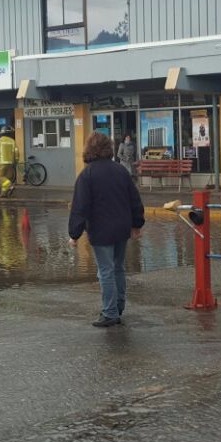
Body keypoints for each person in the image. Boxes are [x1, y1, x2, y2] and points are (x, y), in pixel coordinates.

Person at [68, 132, 145, 327]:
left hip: (101, 230)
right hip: (122, 228)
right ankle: (119, 306)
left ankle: (110, 313)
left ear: (89, 150)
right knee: (118, 267)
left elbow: (80, 207)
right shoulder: (120, 171)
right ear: (109, 149)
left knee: (105, 271)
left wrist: (74, 234)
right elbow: (134, 199)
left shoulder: (87, 175)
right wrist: (137, 224)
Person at [0, 125, 19, 198]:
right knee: (7, 178)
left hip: (1, 163)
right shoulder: (12, 141)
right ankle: (3, 194)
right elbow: (16, 153)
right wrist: (16, 161)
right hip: (10, 163)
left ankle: (10, 186)